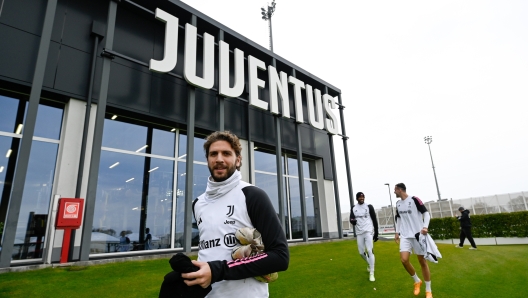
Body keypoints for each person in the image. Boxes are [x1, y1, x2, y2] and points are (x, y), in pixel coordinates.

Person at [181, 131, 289, 297]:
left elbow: (280, 257)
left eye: (226, 153)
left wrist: (218, 270)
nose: (219, 159)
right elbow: (211, 250)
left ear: (238, 160)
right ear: (208, 160)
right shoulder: (198, 203)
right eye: (213, 154)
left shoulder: (252, 195)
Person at [393, 183, 433, 298]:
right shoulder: (398, 203)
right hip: (405, 236)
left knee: (422, 262)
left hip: (417, 235)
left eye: (395, 190)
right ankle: (416, 281)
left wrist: (425, 227)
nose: (394, 192)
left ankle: (428, 290)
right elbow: (399, 218)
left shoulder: (415, 199)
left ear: (400, 190)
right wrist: (397, 232)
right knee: (404, 260)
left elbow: (426, 213)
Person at [349, 192, 379, 282]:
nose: (362, 198)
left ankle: (372, 273)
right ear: (357, 198)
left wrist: (376, 232)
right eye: (360, 197)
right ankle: (370, 263)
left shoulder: (369, 207)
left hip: (368, 231)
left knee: (369, 250)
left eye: (363, 197)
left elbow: (374, 219)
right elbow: (351, 218)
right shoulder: (354, 208)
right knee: (361, 252)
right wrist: (353, 221)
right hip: (359, 233)